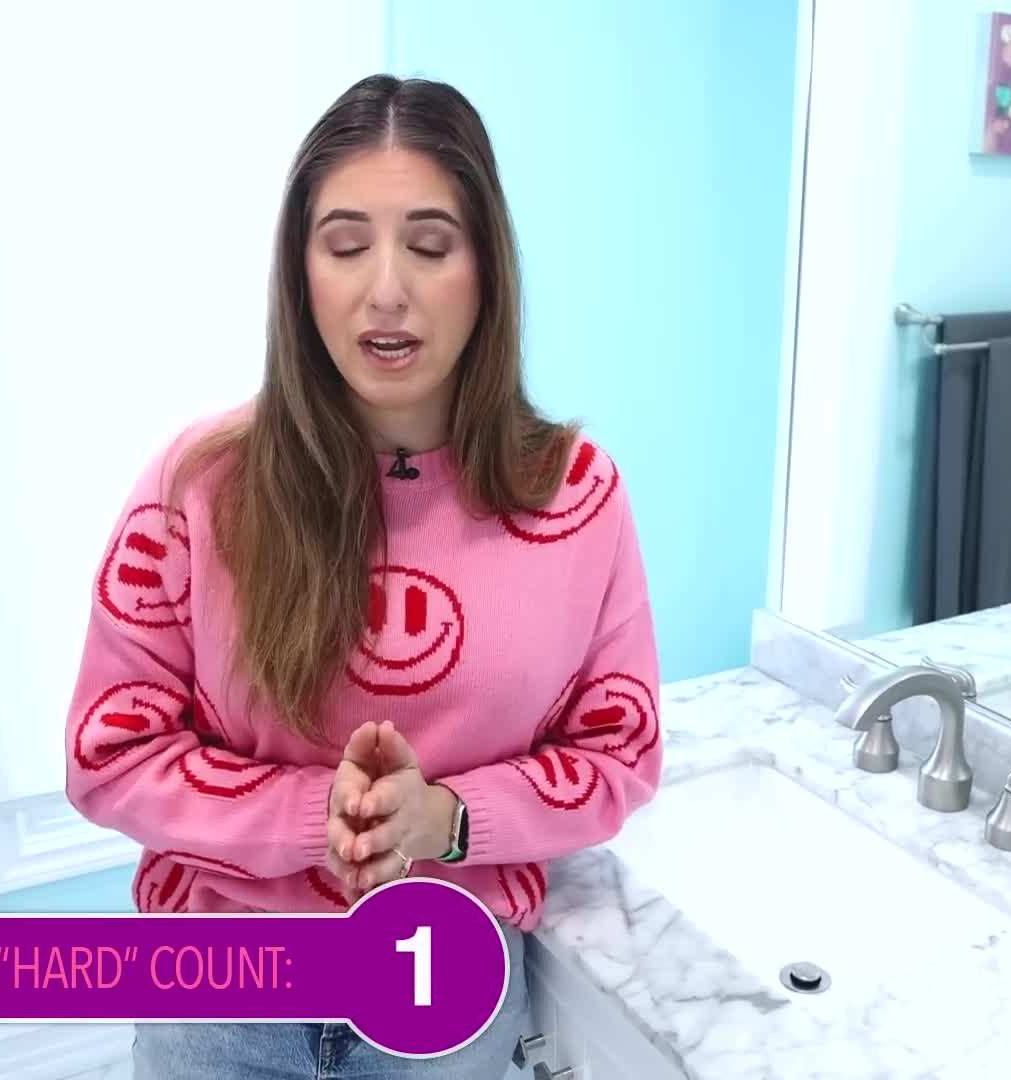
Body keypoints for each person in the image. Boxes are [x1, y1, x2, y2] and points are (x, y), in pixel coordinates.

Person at [63, 74, 663, 1078]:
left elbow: (620, 756)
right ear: (301, 273)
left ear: (486, 270)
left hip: (447, 996)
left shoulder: (577, 495)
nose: (387, 289)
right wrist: (311, 816)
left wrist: (449, 819)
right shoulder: (198, 487)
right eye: (345, 245)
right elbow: (108, 755)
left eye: (430, 245)